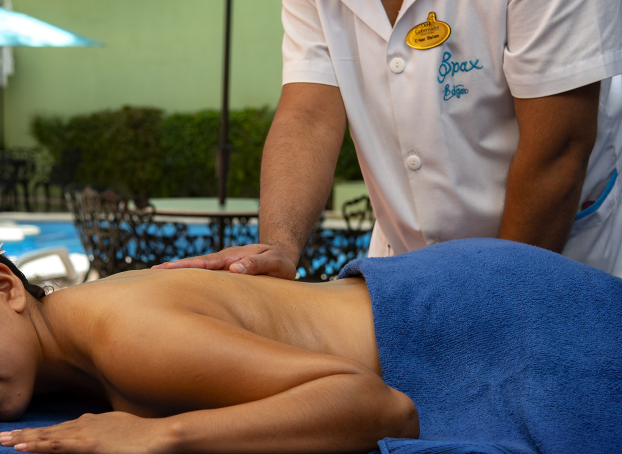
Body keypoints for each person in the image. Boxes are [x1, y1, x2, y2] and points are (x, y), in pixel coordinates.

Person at [0, 224, 622, 454]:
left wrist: (163, 434)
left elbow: (377, 407)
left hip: (499, 322)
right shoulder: (75, 347)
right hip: (454, 295)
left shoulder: (124, 334)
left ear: (4, 287)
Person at [156, 0, 622, 278]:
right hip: (403, 262)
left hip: (554, 253)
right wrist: (278, 247)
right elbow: (308, 115)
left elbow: (558, 148)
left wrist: (494, 303)